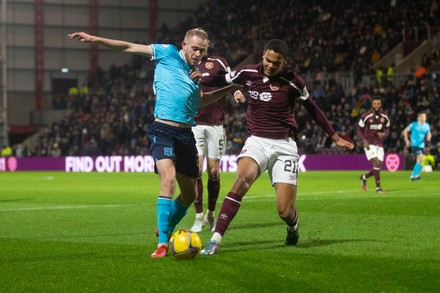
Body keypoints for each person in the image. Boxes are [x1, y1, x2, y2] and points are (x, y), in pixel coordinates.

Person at [68, 28, 238, 258]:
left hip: (187, 134)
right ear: (184, 45)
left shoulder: (195, 74)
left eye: (203, 50)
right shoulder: (166, 53)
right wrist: (96, 39)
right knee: (168, 179)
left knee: (190, 195)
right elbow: (128, 46)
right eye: (195, 48)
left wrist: (230, 89)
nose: (199, 53)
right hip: (163, 129)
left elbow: (203, 100)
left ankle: (165, 226)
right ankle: (162, 243)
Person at [200, 39, 355, 255]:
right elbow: (220, 78)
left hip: (285, 145)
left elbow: (313, 108)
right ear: (263, 55)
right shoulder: (247, 73)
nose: (271, 65)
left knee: (284, 211)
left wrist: (334, 137)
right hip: (256, 141)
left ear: (284, 62)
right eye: (268, 60)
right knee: (241, 180)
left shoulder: (293, 82)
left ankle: (293, 225)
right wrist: (200, 76)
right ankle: (216, 239)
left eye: (277, 62)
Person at [190, 48, 239, 233]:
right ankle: (198, 217)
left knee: (213, 171)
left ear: (207, 44)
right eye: (195, 46)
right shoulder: (187, 63)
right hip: (194, 124)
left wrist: (235, 93)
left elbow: (231, 79)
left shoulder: (218, 62)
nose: (198, 49)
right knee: (196, 170)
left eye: (202, 45)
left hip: (215, 125)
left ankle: (211, 214)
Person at [357, 96, 390, 193]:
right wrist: (364, 141)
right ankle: (378, 188)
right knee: (376, 163)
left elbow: (388, 128)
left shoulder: (385, 116)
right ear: (372, 104)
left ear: (381, 104)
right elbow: (359, 129)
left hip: (379, 143)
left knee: (378, 166)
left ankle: (364, 177)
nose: (376, 105)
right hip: (369, 143)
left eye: (378, 104)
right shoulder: (366, 115)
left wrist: (383, 134)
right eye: (374, 104)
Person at [402, 112, 432, 180]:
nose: (423, 118)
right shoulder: (414, 124)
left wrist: (429, 137)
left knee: (420, 160)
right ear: (418, 118)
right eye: (422, 117)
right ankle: (413, 175)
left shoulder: (427, 125)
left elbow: (429, 133)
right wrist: (407, 140)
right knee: (420, 157)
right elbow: (405, 131)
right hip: (415, 144)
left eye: (424, 117)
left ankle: (416, 174)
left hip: (422, 145)